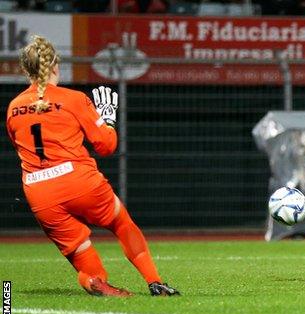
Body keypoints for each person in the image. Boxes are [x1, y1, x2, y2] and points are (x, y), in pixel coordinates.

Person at [6, 35, 180, 296]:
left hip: (39, 192)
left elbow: (20, 147)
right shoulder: (74, 99)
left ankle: (92, 280)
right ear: (55, 66)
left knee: (80, 251)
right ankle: (155, 282)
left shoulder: (13, 107)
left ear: (25, 70)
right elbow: (106, 146)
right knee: (122, 223)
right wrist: (107, 120)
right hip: (78, 180)